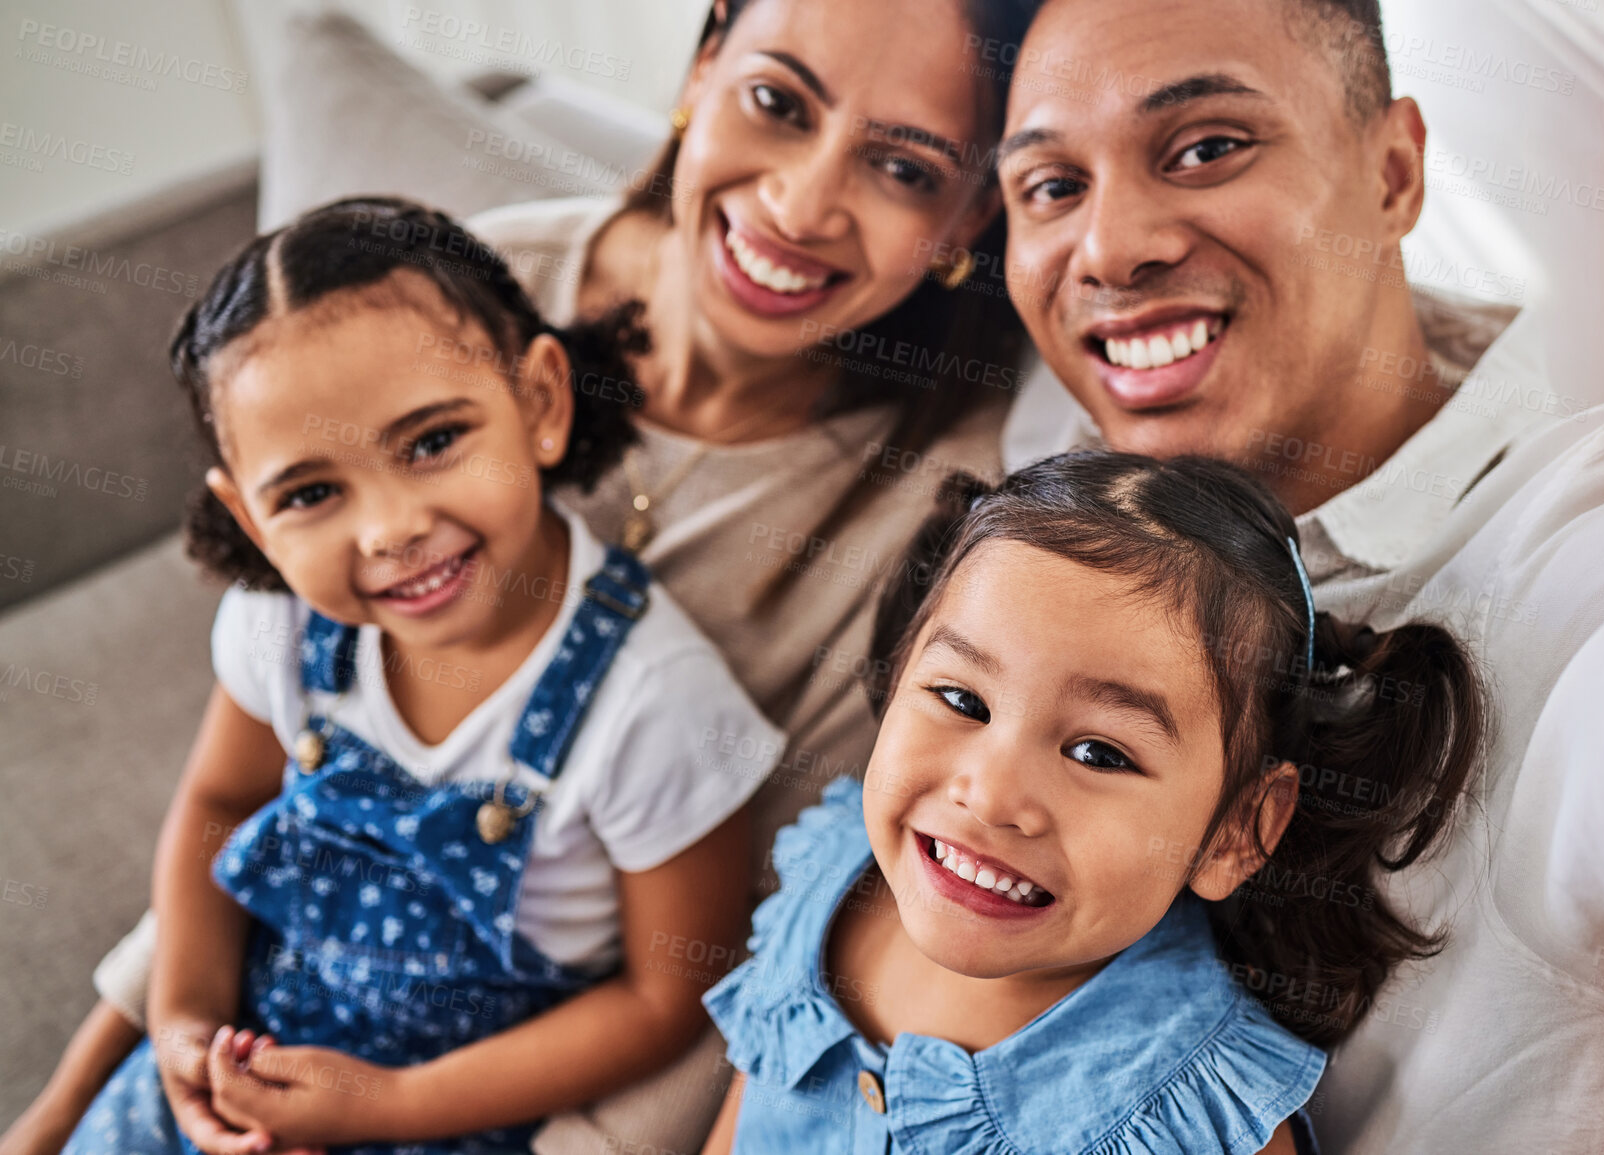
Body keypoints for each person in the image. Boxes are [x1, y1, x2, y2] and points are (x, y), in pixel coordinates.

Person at [2, 2, 1040, 1152]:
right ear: (703, 68)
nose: (799, 205)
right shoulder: (475, 290)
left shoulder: (943, 525)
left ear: (975, 206)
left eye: (903, 166)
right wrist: (80, 1093)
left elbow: (723, 971)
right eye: (776, 103)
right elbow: (252, 811)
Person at [994, 0, 1604, 1150]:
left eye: (1207, 148)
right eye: (1050, 186)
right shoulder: (1060, 453)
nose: (1110, 247)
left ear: (1393, 174)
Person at [60, 198, 783, 1154]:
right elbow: (221, 801)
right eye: (313, 493)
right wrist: (182, 1023)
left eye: (433, 441)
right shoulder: (282, 622)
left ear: (540, 404)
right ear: (249, 518)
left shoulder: (655, 701)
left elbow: (666, 994)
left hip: (450, 1113)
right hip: (245, 1052)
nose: (390, 527)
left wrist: (387, 1107)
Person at [698, 452, 1487, 1154]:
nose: (991, 794)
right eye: (959, 698)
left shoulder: (1189, 1112)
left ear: (1237, 831)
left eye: (1097, 753)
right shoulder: (830, 870)